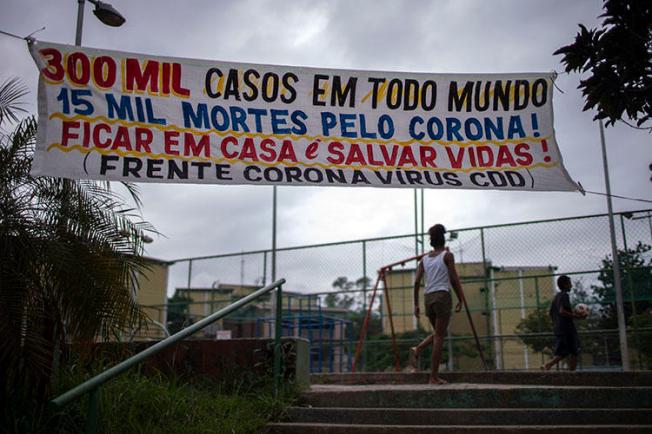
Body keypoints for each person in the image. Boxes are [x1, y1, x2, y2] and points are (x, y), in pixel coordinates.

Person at [411, 224, 465, 385]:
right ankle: (433, 377)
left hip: (428, 298)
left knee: (438, 333)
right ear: (443, 238)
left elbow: (416, 282)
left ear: (431, 241)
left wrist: (415, 304)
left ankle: (418, 348)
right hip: (442, 296)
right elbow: (454, 279)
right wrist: (461, 298)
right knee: (440, 337)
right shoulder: (447, 256)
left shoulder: (424, 260)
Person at [542, 275, 586, 371]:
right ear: (565, 285)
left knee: (565, 352)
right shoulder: (564, 295)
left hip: (559, 328)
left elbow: (551, 312)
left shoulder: (556, 297)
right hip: (567, 329)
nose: (571, 286)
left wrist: (556, 323)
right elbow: (562, 311)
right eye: (570, 284)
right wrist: (577, 316)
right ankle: (570, 373)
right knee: (574, 351)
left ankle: (548, 365)